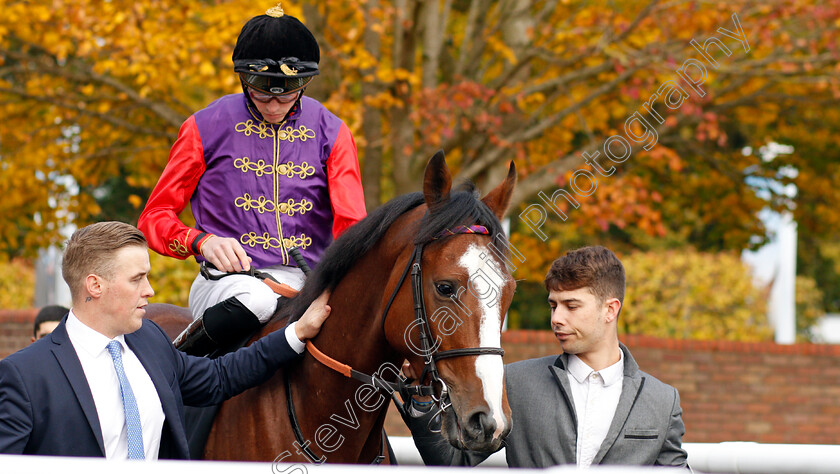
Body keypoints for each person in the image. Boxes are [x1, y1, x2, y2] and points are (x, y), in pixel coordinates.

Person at [137, 2, 366, 355]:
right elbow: (153, 219)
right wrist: (202, 242)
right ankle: (177, 368)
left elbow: (352, 228)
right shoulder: (204, 126)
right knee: (257, 299)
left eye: (286, 93)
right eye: (262, 92)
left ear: (303, 84)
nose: (274, 106)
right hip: (227, 284)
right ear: (244, 79)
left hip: (310, 283)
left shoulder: (333, 132)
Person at [0, 221, 330, 459]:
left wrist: (296, 334)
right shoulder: (23, 376)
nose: (150, 291)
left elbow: (219, 377)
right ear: (95, 286)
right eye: (137, 279)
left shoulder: (150, 341)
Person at [406, 246, 688, 468]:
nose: (556, 318)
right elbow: (451, 461)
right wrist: (419, 398)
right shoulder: (515, 384)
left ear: (610, 310)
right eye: (553, 305)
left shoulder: (662, 401)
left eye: (571, 306)